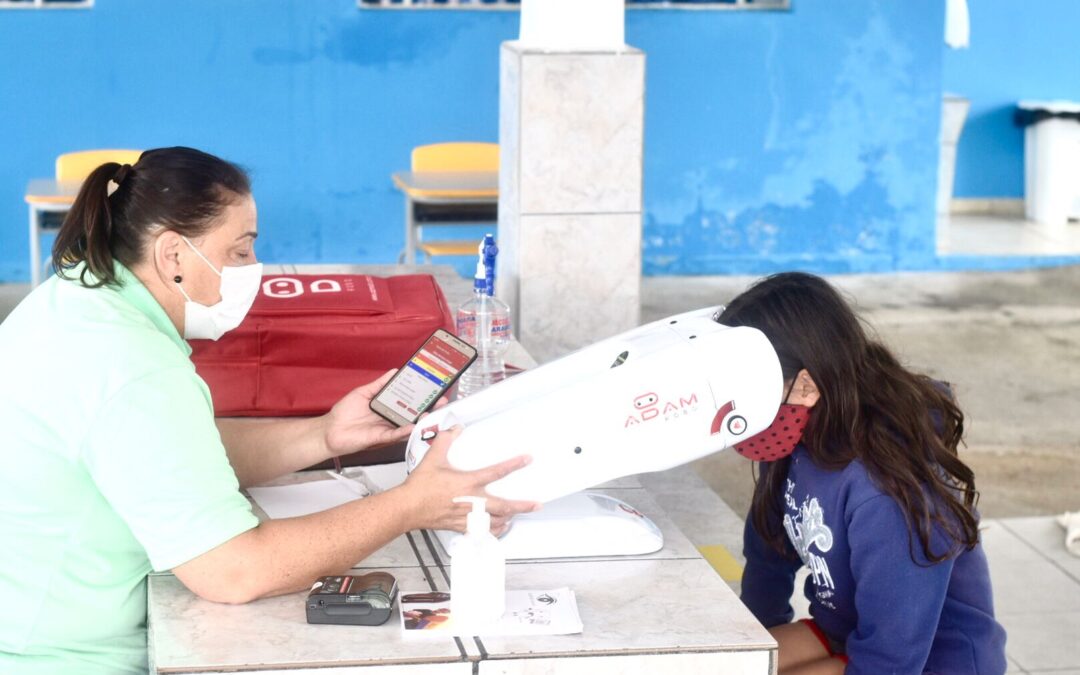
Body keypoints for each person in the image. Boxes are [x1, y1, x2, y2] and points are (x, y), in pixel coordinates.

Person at [0, 147, 539, 674]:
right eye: (239, 252)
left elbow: (179, 451)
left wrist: (325, 435)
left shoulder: (74, 300)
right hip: (61, 657)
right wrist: (413, 504)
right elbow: (234, 571)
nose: (253, 270)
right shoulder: (133, 365)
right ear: (173, 256)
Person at [717, 272, 1007, 675]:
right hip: (849, 633)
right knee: (720, 665)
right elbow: (768, 558)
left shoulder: (887, 486)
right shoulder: (792, 432)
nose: (737, 411)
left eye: (747, 390)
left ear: (806, 385)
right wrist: (752, 650)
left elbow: (893, 656)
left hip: (931, 661)